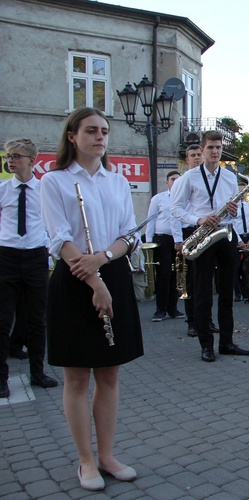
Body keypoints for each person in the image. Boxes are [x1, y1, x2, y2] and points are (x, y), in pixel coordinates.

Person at [39, 107, 143, 490]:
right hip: (74, 275)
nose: (100, 137)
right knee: (77, 376)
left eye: (104, 131)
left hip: (109, 268)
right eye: (91, 131)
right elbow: (58, 237)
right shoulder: (54, 181)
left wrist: (103, 260)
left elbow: (128, 233)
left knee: (110, 373)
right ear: (72, 136)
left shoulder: (116, 182)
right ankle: (85, 461)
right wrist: (93, 278)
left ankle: (107, 455)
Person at [170, 131, 249, 362]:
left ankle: (226, 342)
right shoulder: (189, 177)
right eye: (210, 148)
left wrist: (235, 212)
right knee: (203, 294)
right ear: (203, 150)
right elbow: (175, 209)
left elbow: (235, 210)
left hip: (225, 234)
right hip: (204, 235)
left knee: (227, 292)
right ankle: (206, 345)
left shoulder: (229, 177)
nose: (215, 152)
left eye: (218, 147)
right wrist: (199, 219)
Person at [0, 138, 58, 399]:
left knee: (37, 320)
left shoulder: (45, 189)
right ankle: (1, 379)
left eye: (16, 156)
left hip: (35, 258)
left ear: (32, 160)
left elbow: (53, 221)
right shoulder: (3, 189)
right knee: (3, 320)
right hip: (6, 257)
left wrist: (48, 246)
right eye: (8, 156)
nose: (10, 160)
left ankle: (38, 372)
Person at [175, 144, 207, 337]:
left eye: (199, 154)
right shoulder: (183, 180)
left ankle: (206, 320)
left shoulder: (206, 179)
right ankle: (192, 321)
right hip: (188, 231)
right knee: (190, 281)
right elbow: (175, 213)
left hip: (203, 231)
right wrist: (178, 240)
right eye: (193, 155)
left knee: (204, 279)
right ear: (187, 159)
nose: (197, 158)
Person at [145, 170, 185, 322]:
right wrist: (149, 242)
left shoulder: (185, 198)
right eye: (172, 179)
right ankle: (160, 309)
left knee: (177, 274)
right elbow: (150, 219)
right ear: (167, 182)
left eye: (178, 179)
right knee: (163, 274)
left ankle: (172, 308)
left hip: (178, 240)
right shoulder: (158, 199)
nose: (175, 182)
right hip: (162, 240)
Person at [231, 177, 249, 302]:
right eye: (239, 191)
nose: (241, 194)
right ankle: (237, 292)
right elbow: (232, 225)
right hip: (237, 237)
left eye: (243, 192)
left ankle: (248, 291)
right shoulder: (232, 207)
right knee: (236, 267)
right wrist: (239, 241)